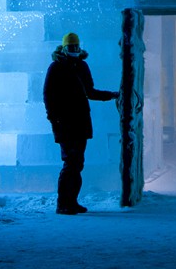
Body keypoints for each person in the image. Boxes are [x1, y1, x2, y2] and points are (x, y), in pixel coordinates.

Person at [43, 32, 119, 215]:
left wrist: (112, 95)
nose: (74, 50)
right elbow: (48, 96)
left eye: (76, 46)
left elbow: (90, 92)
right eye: (71, 47)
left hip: (80, 122)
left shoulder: (82, 66)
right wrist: (55, 120)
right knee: (71, 162)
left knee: (77, 163)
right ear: (64, 48)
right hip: (65, 124)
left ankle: (71, 202)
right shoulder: (56, 68)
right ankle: (63, 204)